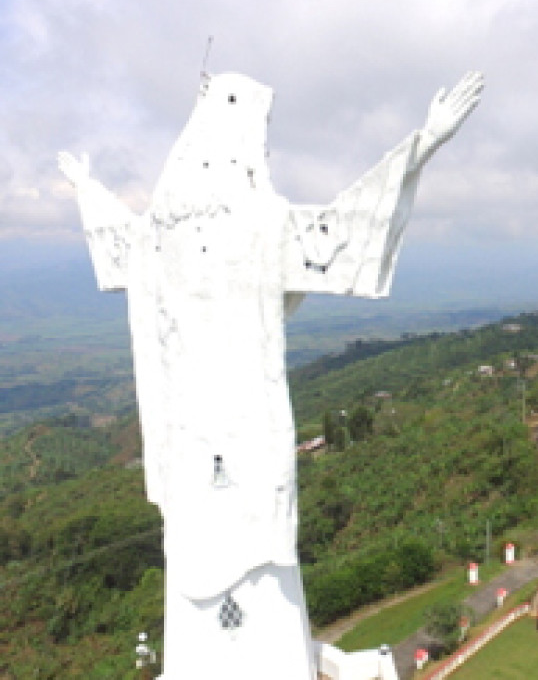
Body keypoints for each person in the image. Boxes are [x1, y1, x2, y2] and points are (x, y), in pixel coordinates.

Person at [59, 70, 483, 679]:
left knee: (248, 566)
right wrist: (425, 142)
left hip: (222, 439)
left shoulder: (177, 231)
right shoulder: (233, 226)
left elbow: (116, 236)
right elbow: (348, 227)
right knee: (235, 568)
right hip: (216, 439)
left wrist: (426, 141)